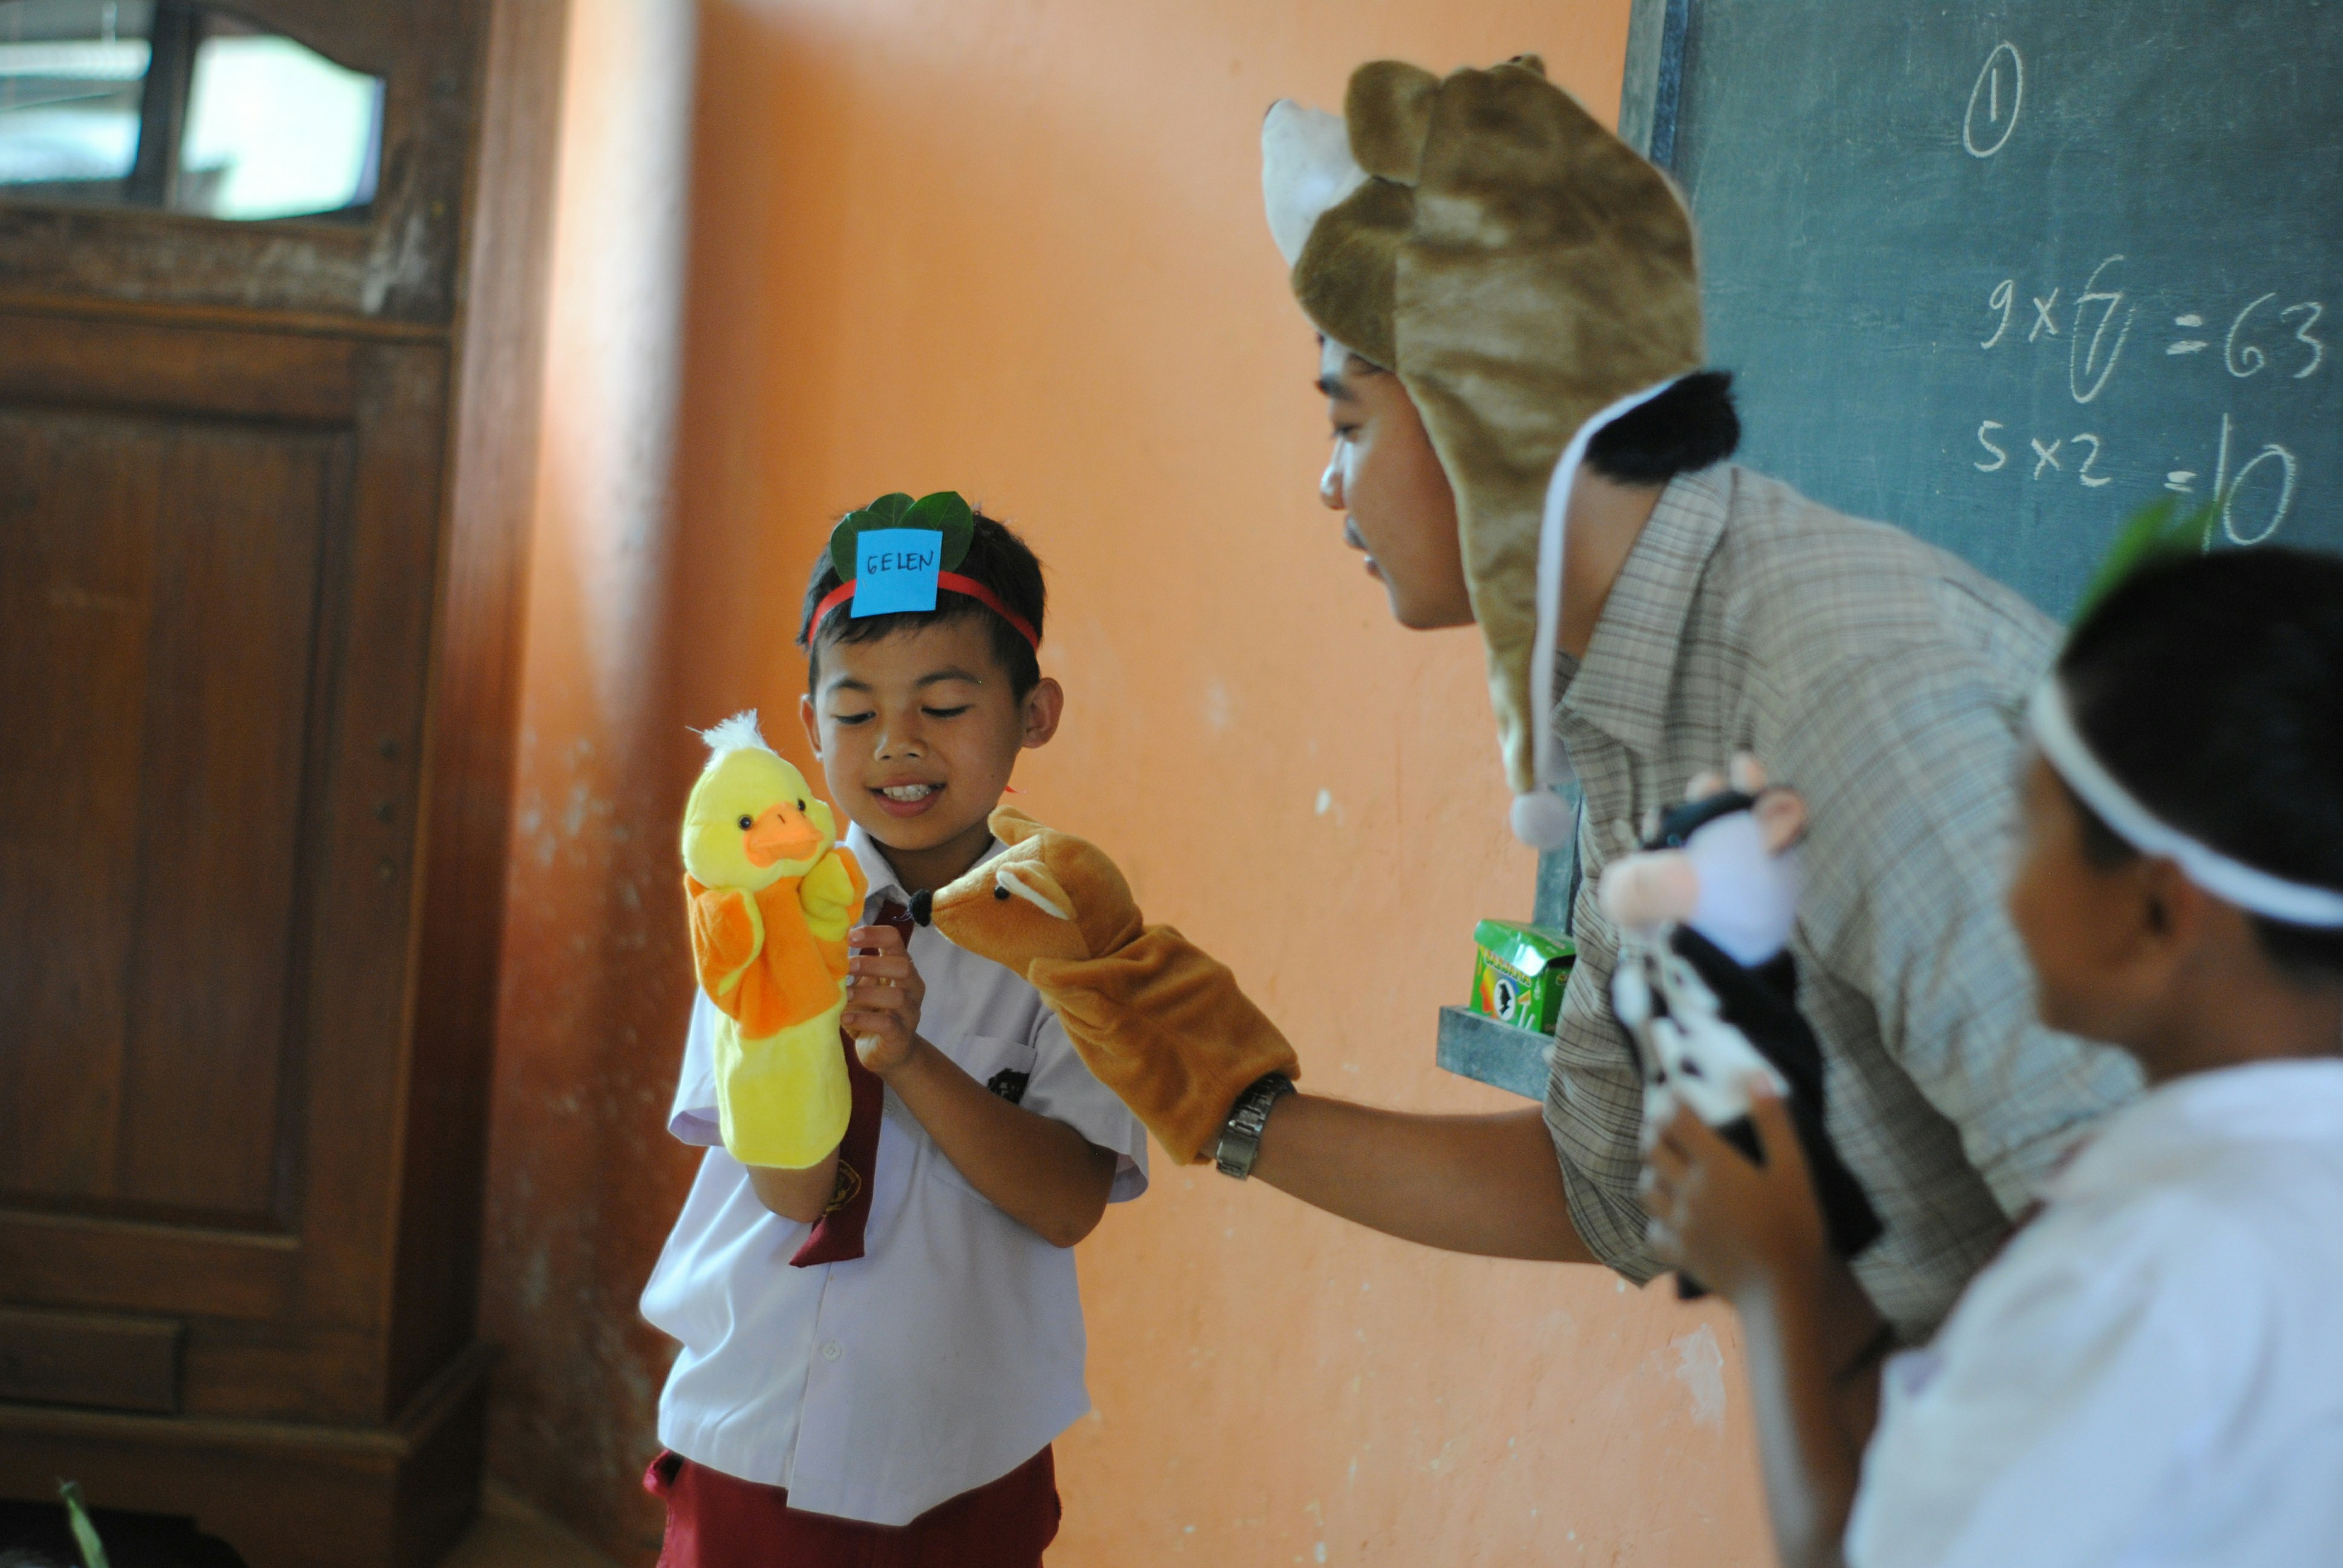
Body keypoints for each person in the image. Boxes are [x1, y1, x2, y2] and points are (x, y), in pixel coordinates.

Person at [1110, 53, 2136, 1342]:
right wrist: (1232, 1108)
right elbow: (1612, 1194)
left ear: (1488, 411)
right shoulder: (1636, 711)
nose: (1330, 486)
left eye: (1350, 422)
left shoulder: (1836, 692)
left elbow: (2151, 1255)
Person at [1638, 546, 2343, 1568]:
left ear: (2154, 911)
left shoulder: (2146, 1269)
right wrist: (1805, 1226)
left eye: (2023, 826)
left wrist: (1776, 1286)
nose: (2001, 878)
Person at [638, 505, 1149, 1567]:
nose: (899, 745)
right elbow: (786, 1191)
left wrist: (910, 1060)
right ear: (809, 724)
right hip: (754, 1430)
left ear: (1035, 712)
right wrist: (806, 1026)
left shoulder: (1073, 933)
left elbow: (1068, 1203)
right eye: (856, 711)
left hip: (964, 1460)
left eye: (947, 704)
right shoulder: (758, 911)